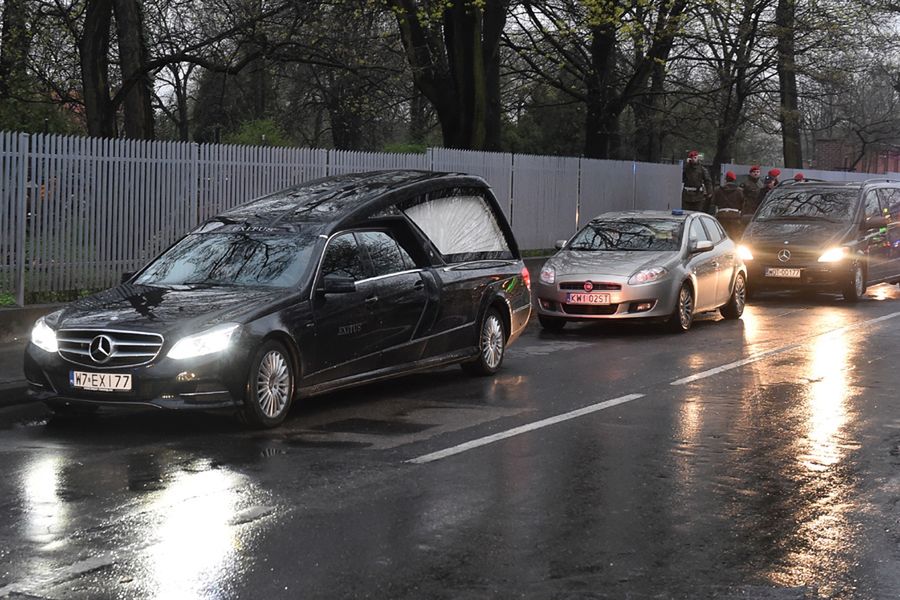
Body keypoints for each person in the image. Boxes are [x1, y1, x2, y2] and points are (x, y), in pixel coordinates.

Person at [712, 171, 745, 239]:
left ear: (725, 179)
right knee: (735, 237)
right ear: (734, 179)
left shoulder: (718, 190)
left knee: (720, 237)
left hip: (721, 215)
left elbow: (713, 201)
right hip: (735, 216)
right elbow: (743, 202)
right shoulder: (739, 191)